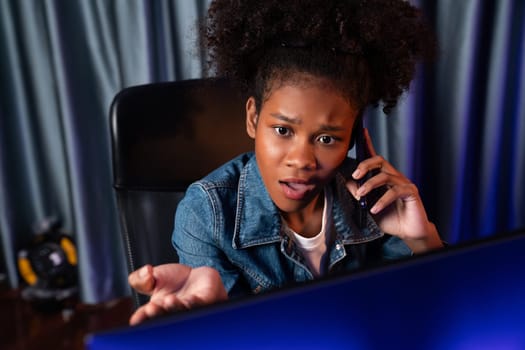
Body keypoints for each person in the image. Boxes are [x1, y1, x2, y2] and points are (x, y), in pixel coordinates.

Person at [128, 0, 443, 325]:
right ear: (253, 118)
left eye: (327, 138)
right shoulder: (206, 213)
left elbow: (432, 313)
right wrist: (212, 316)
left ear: (353, 139)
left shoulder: (371, 201)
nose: (302, 160)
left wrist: (420, 239)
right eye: (283, 130)